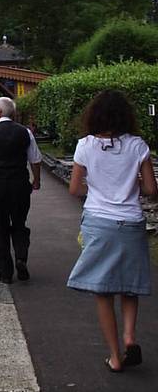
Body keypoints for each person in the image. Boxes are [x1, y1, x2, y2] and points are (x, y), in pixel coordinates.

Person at [66, 90, 157, 373]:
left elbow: (74, 189)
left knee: (103, 291)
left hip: (98, 222)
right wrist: (132, 186)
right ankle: (130, 337)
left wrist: (96, 188)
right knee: (129, 286)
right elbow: (152, 190)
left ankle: (116, 357)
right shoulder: (138, 146)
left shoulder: (85, 146)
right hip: (131, 222)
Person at [0, 96, 42, 284]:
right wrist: (36, 180)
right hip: (20, 184)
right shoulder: (25, 132)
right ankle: (21, 256)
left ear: (0, 112)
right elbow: (35, 160)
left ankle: (5, 273)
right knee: (20, 223)